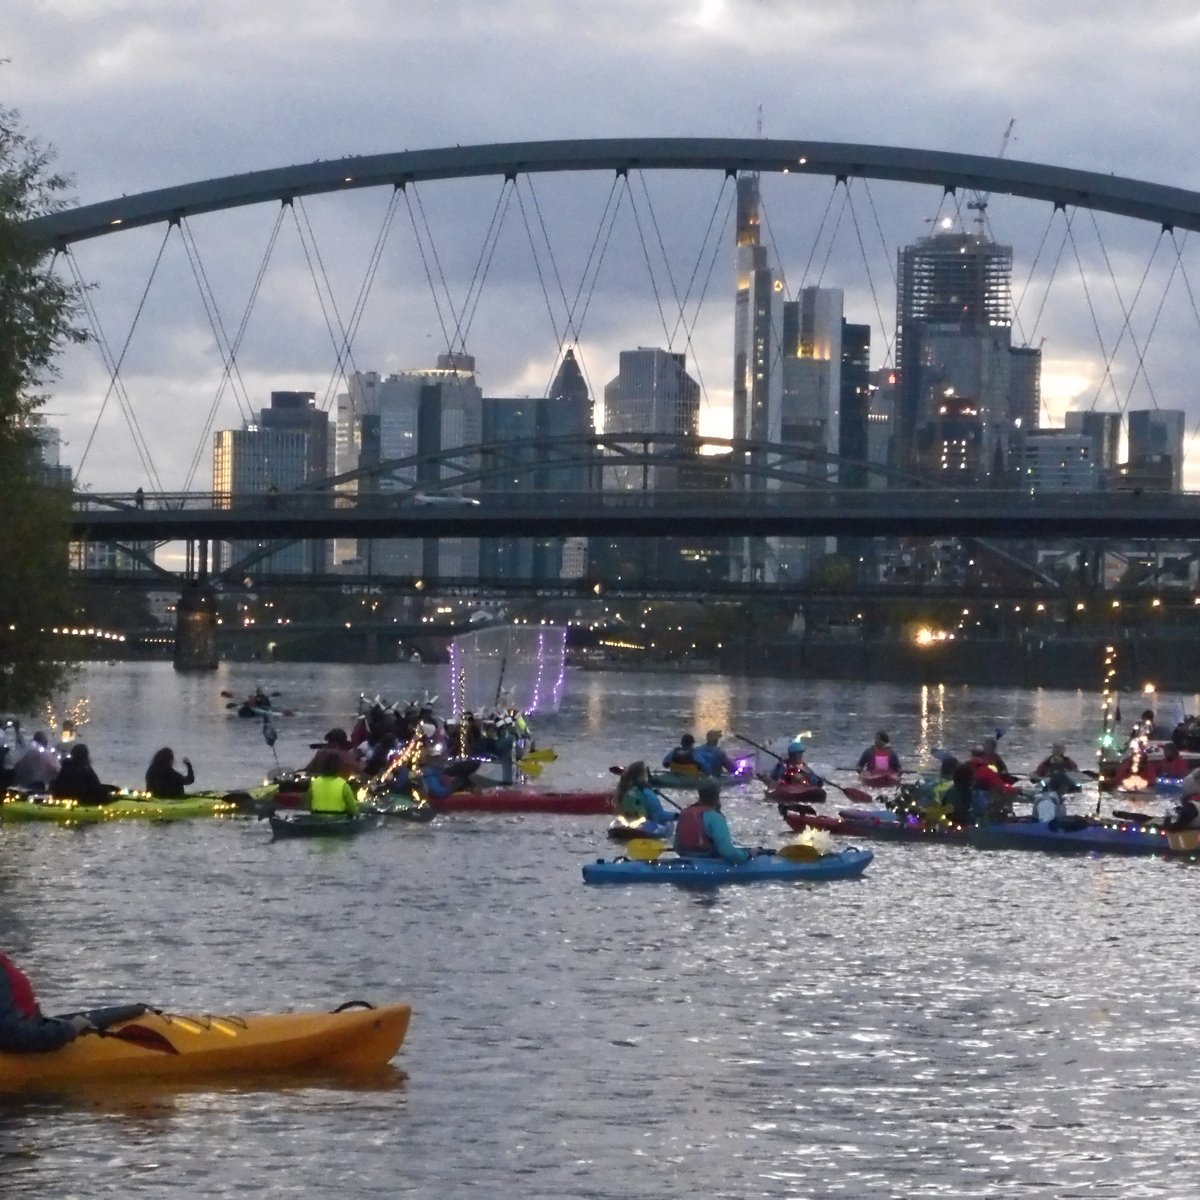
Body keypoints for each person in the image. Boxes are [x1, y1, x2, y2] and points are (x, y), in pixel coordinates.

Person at [0, 953, 95, 1053]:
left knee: (107, 1016)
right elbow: (11, 1036)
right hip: (23, 1039)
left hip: (28, 1025)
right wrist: (68, 1030)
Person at [673, 779, 751, 864]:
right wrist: (748, 855)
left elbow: (677, 846)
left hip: (685, 860)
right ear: (717, 795)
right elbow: (727, 852)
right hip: (709, 861)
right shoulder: (714, 817)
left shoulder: (685, 812)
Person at [613, 761, 677, 826]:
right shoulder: (646, 792)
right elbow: (658, 815)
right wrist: (675, 816)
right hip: (644, 825)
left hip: (624, 824)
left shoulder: (623, 790)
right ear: (643, 775)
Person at [51, 745, 117, 806]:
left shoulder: (66, 766)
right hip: (79, 799)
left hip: (61, 797)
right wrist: (111, 788)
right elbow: (94, 787)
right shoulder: (84, 769)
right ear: (85, 756)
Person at [306, 751, 359, 816]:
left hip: (316, 818)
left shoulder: (314, 783)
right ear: (339, 767)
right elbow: (353, 809)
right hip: (338, 820)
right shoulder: (343, 785)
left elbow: (307, 803)